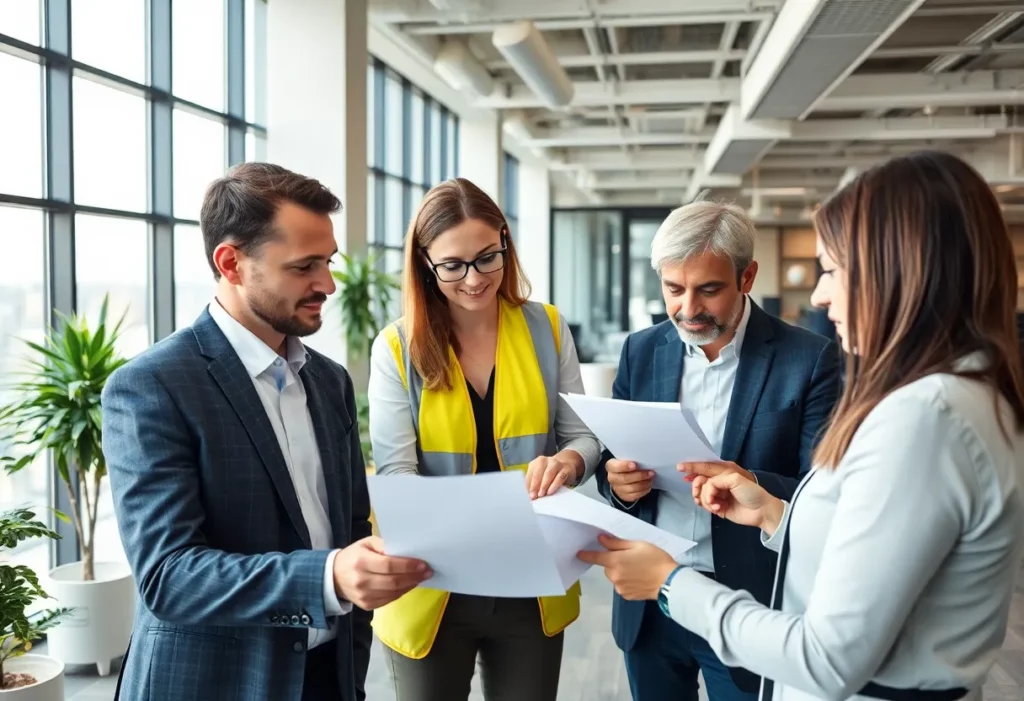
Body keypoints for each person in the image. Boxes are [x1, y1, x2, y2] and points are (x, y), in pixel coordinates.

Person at [580, 150, 1024, 701]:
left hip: (755, 614)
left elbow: (827, 657)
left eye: (832, 269)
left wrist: (671, 585)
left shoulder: (925, 419)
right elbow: (873, 546)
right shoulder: (955, 400)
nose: (817, 294)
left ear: (900, 271)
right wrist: (770, 511)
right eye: (674, 288)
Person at [102, 163, 432, 701]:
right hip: (216, 683)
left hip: (329, 677)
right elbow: (168, 576)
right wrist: (328, 578)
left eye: (327, 262)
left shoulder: (329, 382)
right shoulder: (151, 386)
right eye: (304, 267)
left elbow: (347, 525)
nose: (327, 284)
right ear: (231, 263)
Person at [593, 199, 840, 701]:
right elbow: (609, 459)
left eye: (708, 289)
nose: (687, 309)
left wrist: (749, 482)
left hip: (750, 601)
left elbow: (823, 493)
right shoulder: (641, 351)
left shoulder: (809, 359)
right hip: (652, 599)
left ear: (746, 278)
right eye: (673, 289)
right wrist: (616, 482)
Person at [367, 177, 602, 701]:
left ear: (504, 242)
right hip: (432, 583)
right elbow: (397, 474)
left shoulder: (548, 328)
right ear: (425, 263)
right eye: (452, 265)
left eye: (487, 257)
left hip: (532, 578)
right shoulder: (396, 347)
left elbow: (584, 439)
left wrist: (566, 463)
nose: (474, 279)